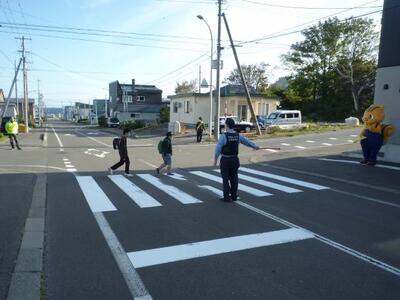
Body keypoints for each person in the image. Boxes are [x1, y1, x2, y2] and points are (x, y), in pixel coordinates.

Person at [214, 118, 260, 202]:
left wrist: (215, 160)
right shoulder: (238, 135)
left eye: (225, 124)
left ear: (227, 125)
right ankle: (234, 196)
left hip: (225, 160)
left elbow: (218, 149)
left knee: (225, 178)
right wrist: (255, 146)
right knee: (234, 178)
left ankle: (226, 197)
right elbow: (247, 142)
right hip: (235, 159)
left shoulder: (224, 136)